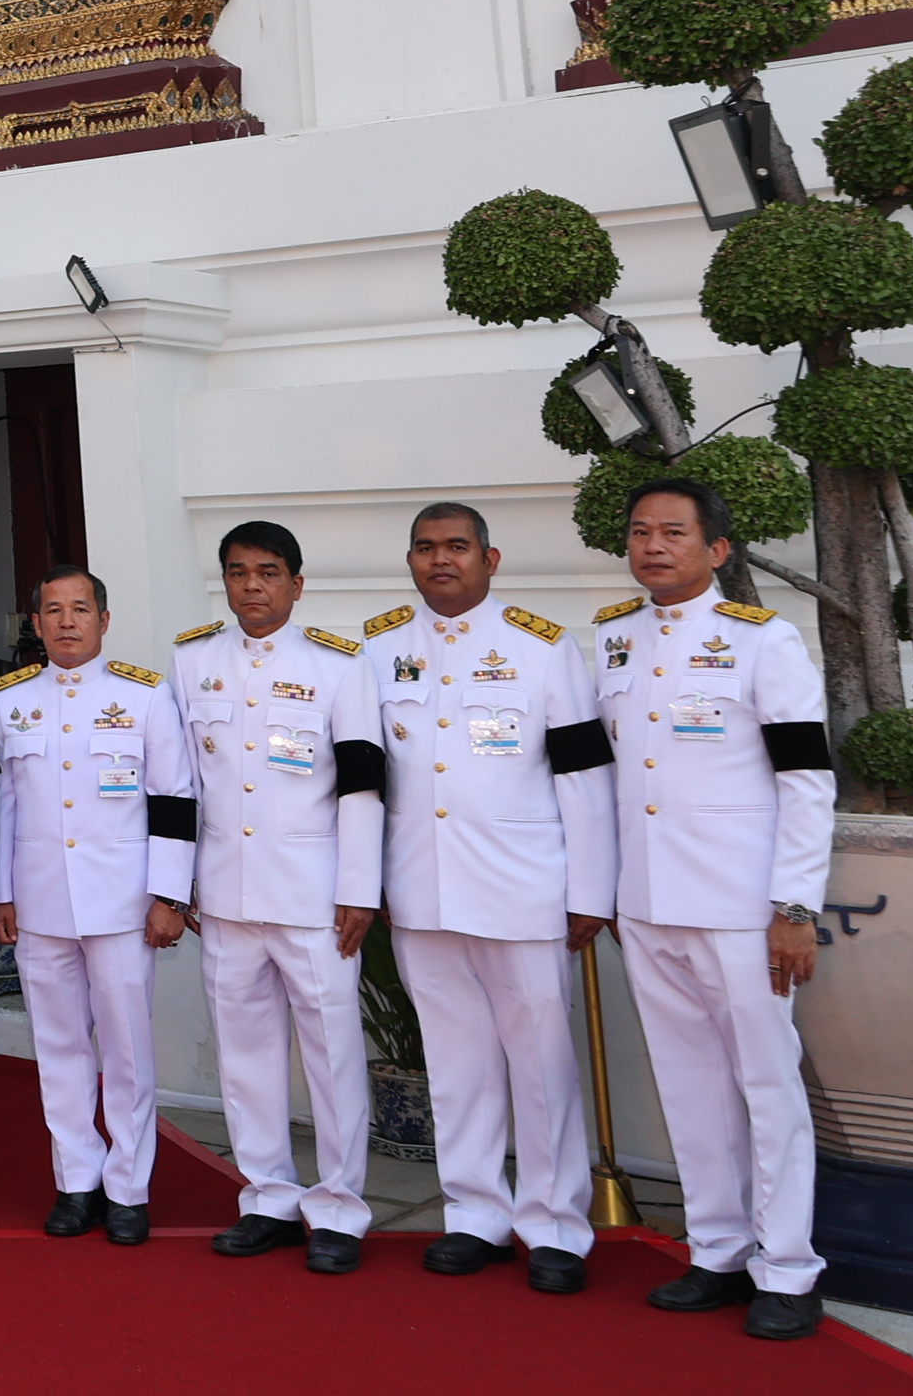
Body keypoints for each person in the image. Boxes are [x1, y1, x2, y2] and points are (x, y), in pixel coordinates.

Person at [594, 476, 834, 1340]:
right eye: (640, 533)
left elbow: (805, 778)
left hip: (743, 905)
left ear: (718, 550)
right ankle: (719, 1253)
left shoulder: (762, 642)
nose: (653, 546)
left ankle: (789, 1268)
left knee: (767, 1086)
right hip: (649, 902)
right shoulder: (613, 641)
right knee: (690, 1087)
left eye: (673, 533)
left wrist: (794, 904)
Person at [369, 500, 614, 1295]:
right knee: (454, 1062)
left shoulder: (542, 649)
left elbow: (583, 776)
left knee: (540, 1062)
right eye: (426, 548)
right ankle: (474, 1213)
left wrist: (592, 888)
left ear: (490, 558)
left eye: (458, 547)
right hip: (421, 890)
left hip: (522, 889)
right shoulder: (377, 650)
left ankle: (553, 1224)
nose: (442, 561)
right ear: (409, 561)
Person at [171, 520, 385, 1274]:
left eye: (267, 572)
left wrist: (359, 888)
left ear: (297, 582)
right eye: (237, 572)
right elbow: (181, 785)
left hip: (314, 896)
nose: (251, 587)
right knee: (245, 1054)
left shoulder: (339, 665)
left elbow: (361, 783)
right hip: (226, 893)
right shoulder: (192, 659)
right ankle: (265, 1195)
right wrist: (178, 881)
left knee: (331, 1054)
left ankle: (338, 1208)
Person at [0, 567, 192, 1247]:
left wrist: (169, 895)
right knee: (59, 1048)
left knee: (128, 1050)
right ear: (37, 623)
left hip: (124, 904)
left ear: (105, 619)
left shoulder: (143, 697)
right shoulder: (9, 700)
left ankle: (129, 1187)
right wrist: (0, 892)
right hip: (41, 900)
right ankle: (76, 1180)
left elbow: (172, 800)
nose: (67, 622)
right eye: (53, 611)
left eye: (80, 609)